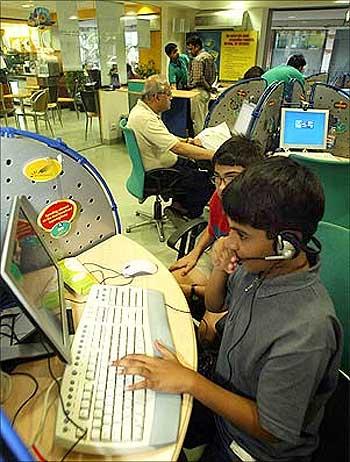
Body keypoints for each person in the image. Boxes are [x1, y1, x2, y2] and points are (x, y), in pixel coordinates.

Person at [115, 156, 343, 462]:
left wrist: (190, 381)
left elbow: (271, 427)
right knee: (129, 419)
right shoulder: (258, 268)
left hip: (250, 448)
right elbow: (215, 303)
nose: (230, 241)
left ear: (286, 245)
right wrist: (222, 266)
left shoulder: (306, 331)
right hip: (221, 402)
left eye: (242, 235)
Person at [169, 135, 265, 302]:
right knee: (171, 282)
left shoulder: (258, 217)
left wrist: (193, 290)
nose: (221, 187)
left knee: (210, 326)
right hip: (219, 260)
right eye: (218, 177)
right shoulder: (219, 196)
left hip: (239, 277)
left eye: (231, 177)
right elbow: (212, 227)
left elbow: (239, 287)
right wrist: (194, 253)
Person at [127, 75, 215, 218]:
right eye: (168, 94)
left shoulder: (144, 112)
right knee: (204, 181)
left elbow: (167, 138)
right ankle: (188, 216)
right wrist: (214, 155)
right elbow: (177, 148)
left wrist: (187, 141)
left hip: (157, 165)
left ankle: (178, 206)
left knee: (193, 166)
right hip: (158, 173)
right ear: (156, 97)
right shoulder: (145, 119)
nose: (171, 98)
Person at [186, 35, 216, 135]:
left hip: (197, 92)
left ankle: (199, 144)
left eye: (191, 49)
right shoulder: (209, 57)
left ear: (197, 47)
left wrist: (207, 87)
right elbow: (213, 75)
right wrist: (210, 87)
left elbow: (198, 79)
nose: (189, 52)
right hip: (206, 93)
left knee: (198, 121)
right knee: (205, 119)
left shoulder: (197, 60)